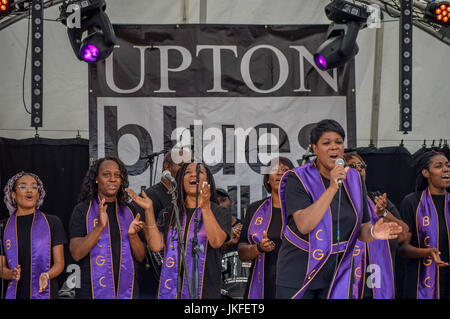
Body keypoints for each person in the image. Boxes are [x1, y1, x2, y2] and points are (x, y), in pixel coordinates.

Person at [275, 119, 402, 299]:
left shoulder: (355, 179)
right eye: (326, 143)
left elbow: (362, 230)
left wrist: (374, 231)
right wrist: (333, 187)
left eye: (339, 142)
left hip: (338, 271)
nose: (334, 147)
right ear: (314, 148)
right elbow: (304, 225)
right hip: (299, 270)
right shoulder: (298, 178)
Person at [127, 162, 231, 299]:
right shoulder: (169, 212)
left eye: (200, 172)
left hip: (205, 291)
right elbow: (156, 246)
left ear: (208, 180)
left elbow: (216, 242)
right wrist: (149, 211)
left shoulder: (219, 212)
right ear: (181, 180)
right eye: (187, 172)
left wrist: (205, 207)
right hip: (171, 290)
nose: (193, 174)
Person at [68, 157, 146, 299]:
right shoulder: (82, 210)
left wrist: (133, 236)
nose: (112, 179)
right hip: (90, 291)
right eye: (106, 174)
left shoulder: (130, 210)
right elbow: (76, 253)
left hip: (128, 291)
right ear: (96, 179)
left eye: (117, 175)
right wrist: (99, 226)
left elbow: (141, 257)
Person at [343, 152, 409, 299]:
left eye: (362, 166)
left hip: (379, 282)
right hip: (347, 284)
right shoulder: (336, 202)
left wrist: (383, 213)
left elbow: (404, 234)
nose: (359, 169)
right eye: (352, 166)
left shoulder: (377, 199)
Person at [1, 171, 66, 299]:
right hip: (15, 293)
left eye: (34, 187)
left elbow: (60, 263)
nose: (29, 190)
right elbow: (1, 267)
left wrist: (47, 275)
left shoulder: (52, 222)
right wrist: (11, 274)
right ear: (13, 194)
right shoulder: (3, 226)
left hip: (45, 293)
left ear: (38, 194)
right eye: (23, 186)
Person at [134, 148, 188, 299]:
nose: (185, 169)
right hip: (153, 274)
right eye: (181, 164)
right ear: (167, 167)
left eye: (187, 166)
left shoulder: (181, 198)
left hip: (178, 274)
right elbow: (136, 226)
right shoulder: (150, 195)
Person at [238, 156, 294, 299]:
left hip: (295, 283)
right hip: (263, 285)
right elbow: (242, 252)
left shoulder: (302, 210)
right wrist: (258, 248)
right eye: (274, 170)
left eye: (285, 170)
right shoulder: (254, 209)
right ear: (267, 179)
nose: (280, 173)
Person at [398, 151, 450, 299]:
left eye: (448, 165)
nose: (446, 169)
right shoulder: (412, 202)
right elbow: (402, 249)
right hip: (421, 283)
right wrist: (427, 252)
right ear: (426, 173)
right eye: (439, 166)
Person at [217, 188, 242, 253]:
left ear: (231, 202)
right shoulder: (209, 227)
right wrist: (227, 241)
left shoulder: (243, 225)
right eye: (216, 202)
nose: (220, 205)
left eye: (223, 200)